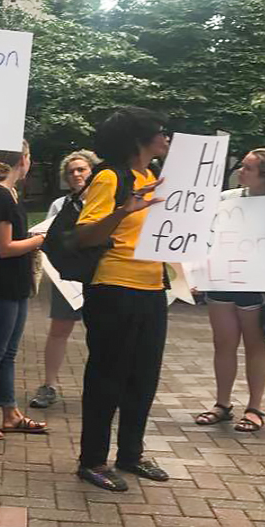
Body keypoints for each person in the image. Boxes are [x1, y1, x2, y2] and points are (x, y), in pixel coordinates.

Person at [74, 107, 170, 491]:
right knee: (107, 377)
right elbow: (84, 236)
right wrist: (122, 211)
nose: (165, 138)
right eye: (160, 132)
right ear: (138, 140)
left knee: (144, 377)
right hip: (113, 288)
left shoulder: (153, 178)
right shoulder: (110, 177)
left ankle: (131, 454)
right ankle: (92, 460)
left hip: (152, 289)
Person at [194, 148, 265, 432]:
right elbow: (207, 235)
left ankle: (254, 407)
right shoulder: (227, 199)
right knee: (223, 343)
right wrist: (198, 272)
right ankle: (222, 404)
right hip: (222, 278)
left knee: (254, 344)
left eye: (247, 168)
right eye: (242, 166)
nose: (240, 172)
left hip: (257, 282)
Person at [0, 140, 47, 440]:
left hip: (16, 286)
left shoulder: (12, 194)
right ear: (23, 160)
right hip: (0, 286)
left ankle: (10, 412)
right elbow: (4, 248)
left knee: (9, 353)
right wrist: (41, 239)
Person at [31, 150, 100, 408]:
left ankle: (97, 389)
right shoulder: (60, 206)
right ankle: (48, 385)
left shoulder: (106, 201)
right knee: (59, 330)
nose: (76, 175)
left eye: (81, 169)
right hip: (68, 280)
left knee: (100, 333)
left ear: (93, 172)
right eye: (71, 172)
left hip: (99, 277)